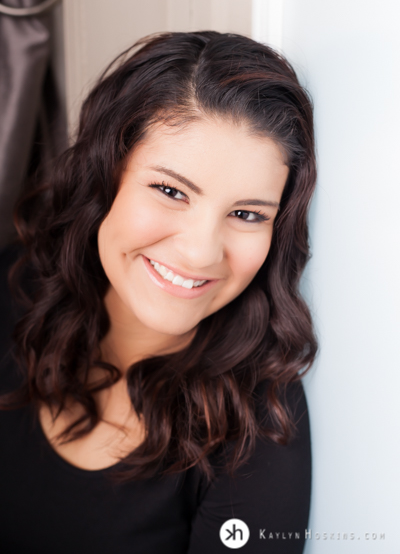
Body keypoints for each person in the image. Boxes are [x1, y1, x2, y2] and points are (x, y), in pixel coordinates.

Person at [0, 31, 317, 553]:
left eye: (246, 214)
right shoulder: (17, 283)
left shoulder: (261, 424)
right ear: (105, 177)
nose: (199, 253)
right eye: (170, 191)